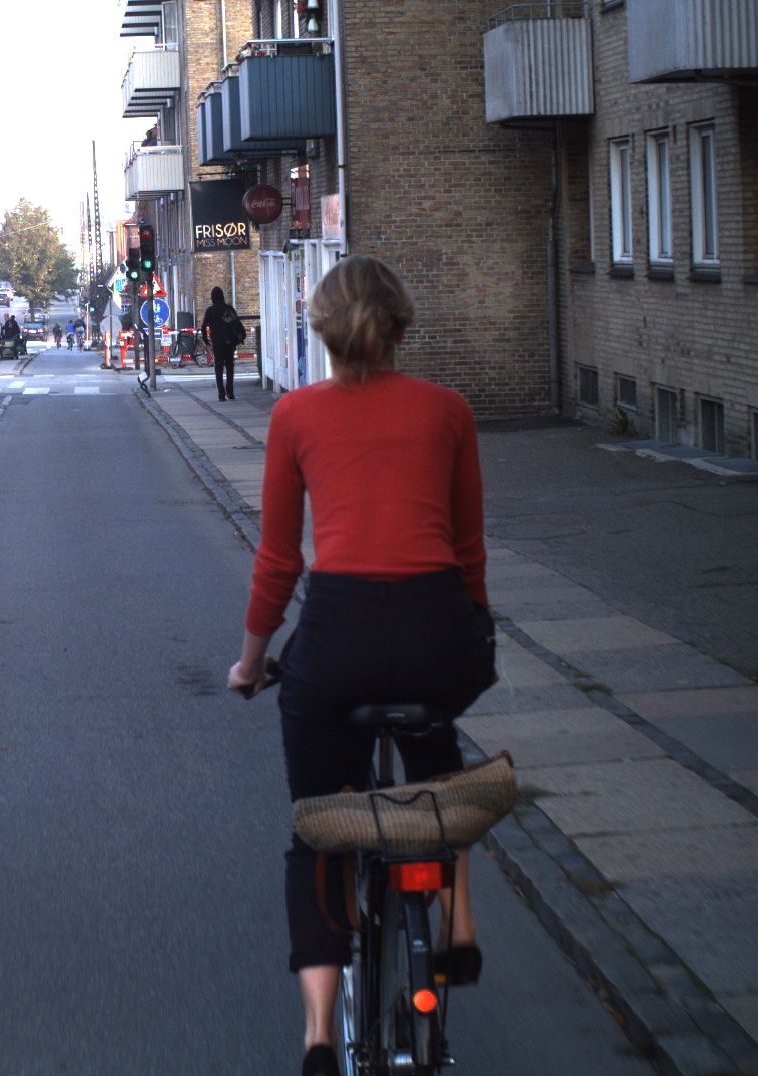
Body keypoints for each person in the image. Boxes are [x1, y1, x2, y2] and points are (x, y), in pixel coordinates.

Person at [225, 255, 493, 1076]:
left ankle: (317, 1035)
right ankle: (455, 920)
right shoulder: (449, 410)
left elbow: (279, 561)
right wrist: (473, 637)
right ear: (401, 328)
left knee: (318, 829)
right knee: (438, 769)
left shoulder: (295, 416)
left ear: (320, 333)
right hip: (436, 629)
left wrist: (250, 663)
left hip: (337, 640)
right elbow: (468, 549)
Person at [202, 286, 246, 401]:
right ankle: (230, 392)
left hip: (217, 343)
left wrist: (207, 342)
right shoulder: (229, 309)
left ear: (212, 297)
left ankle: (221, 394)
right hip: (229, 342)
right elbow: (236, 324)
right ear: (222, 296)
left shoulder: (210, 311)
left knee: (218, 369)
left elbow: (203, 327)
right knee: (230, 367)